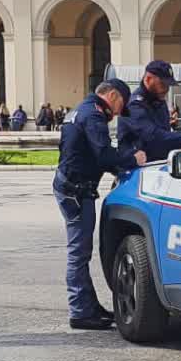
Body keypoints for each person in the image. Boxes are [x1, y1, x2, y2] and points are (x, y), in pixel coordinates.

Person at [56, 79, 146, 330]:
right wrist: (132, 159)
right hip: (76, 191)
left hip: (71, 186)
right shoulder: (94, 116)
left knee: (81, 251)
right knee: (79, 253)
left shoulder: (81, 110)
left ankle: (88, 305)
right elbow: (104, 155)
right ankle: (80, 311)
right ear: (113, 95)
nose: (118, 113)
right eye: (120, 106)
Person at [119, 60, 181, 162]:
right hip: (136, 168)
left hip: (158, 164)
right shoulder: (134, 105)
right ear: (148, 79)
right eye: (162, 84)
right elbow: (153, 137)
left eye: (168, 85)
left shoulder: (158, 102)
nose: (166, 89)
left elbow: (164, 133)